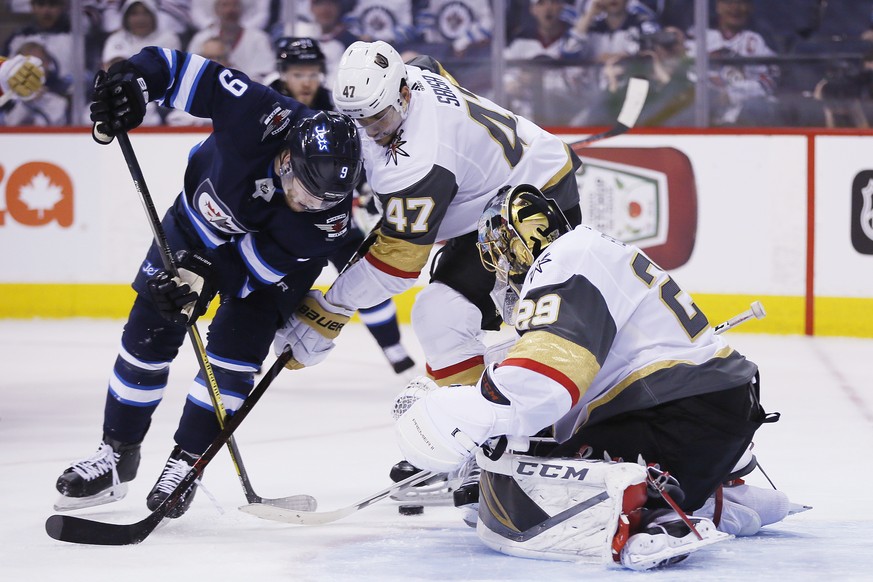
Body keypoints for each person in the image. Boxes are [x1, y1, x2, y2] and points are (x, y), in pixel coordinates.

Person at [392, 184, 798, 569]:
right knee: (512, 475)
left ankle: (657, 513)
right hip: (708, 408)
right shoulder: (591, 251)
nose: (499, 271)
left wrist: (458, 415)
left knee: (534, 481)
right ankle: (719, 498)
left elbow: (543, 384)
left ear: (516, 244)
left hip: (676, 413)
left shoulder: (563, 260)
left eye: (499, 256)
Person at [53, 46, 363, 518]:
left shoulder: (324, 222)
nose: (309, 203)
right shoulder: (255, 112)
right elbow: (173, 68)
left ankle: (187, 461)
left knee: (233, 356)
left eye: (325, 200)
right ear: (286, 156)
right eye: (304, 188)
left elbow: (244, 275)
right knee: (147, 334)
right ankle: (116, 458)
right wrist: (133, 84)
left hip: (268, 272)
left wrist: (200, 283)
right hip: (194, 223)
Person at [272, 40, 584, 484]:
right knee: (441, 317)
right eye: (358, 119)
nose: (370, 130)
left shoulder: (420, 159)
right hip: (499, 200)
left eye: (377, 118)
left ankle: (515, 437)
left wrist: (331, 311)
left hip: (530, 207)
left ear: (402, 93)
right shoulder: (412, 76)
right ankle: (477, 437)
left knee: (480, 320)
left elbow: (397, 262)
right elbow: (432, 67)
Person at [268, 36, 416, 374]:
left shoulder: (338, 104)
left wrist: (365, 191)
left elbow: (362, 151)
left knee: (363, 278)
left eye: (312, 72)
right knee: (266, 282)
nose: (306, 81)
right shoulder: (268, 103)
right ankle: (254, 345)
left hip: (335, 217)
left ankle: (393, 347)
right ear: (282, 73)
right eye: (297, 73)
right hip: (283, 215)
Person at [689, 0, 781, 126]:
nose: (735, 8)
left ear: (750, 8)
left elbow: (770, 81)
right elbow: (685, 76)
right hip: (703, 117)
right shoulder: (699, 39)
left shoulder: (756, 41)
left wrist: (731, 94)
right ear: (718, 6)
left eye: (741, 2)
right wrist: (711, 94)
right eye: (729, 2)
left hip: (746, 119)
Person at [187, 0, 274, 82]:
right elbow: (190, 71)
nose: (230, 10)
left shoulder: (259, 39)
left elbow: (265, 74)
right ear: (216, 10)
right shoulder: (200, 39)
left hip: (249, 93)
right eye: (225, 5)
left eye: (235, 5)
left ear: (242, 9)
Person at [1, 41, 67, 125]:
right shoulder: (6, 97)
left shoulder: (61, 94)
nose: (32, 70)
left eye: (38, 63)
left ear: (47, 64)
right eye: (27, 65)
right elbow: (8, 127)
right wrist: (27, 101)